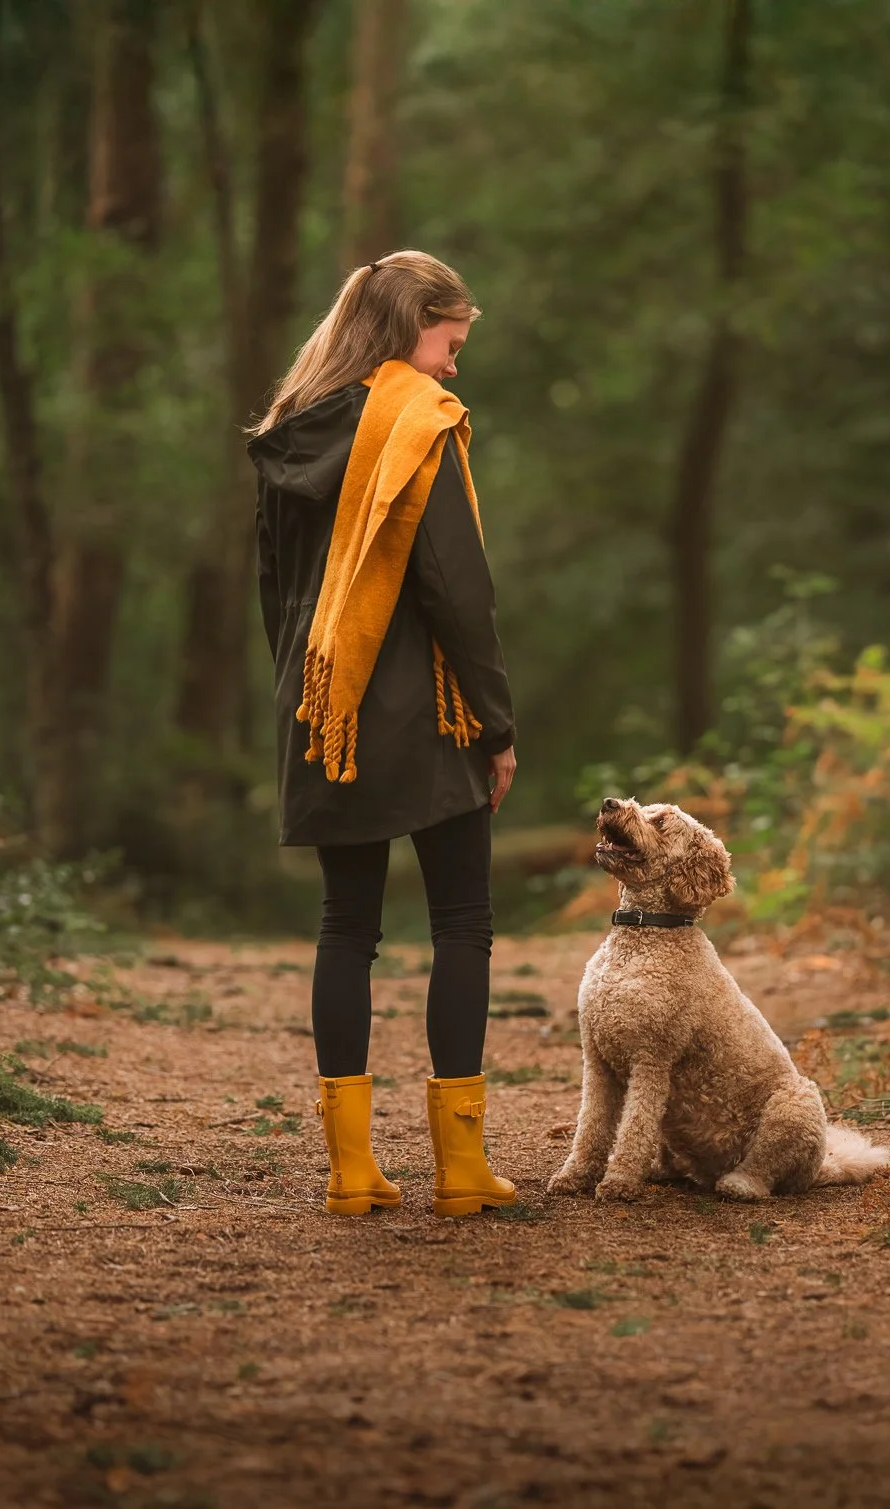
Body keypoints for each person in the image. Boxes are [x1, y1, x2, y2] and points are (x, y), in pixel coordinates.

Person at [250, 250, 518, 1218]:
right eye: (449, 342)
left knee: (345, 927)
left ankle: (350, 1170)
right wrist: (494, 723)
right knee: (461, 923)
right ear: (413, 327)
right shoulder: (418, 423)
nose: (452, 364)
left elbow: (275, 588)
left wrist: (308, 694)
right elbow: (456, 589)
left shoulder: (291, 428)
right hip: (426, 711)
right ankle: (460, 1169)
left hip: (325, 704)